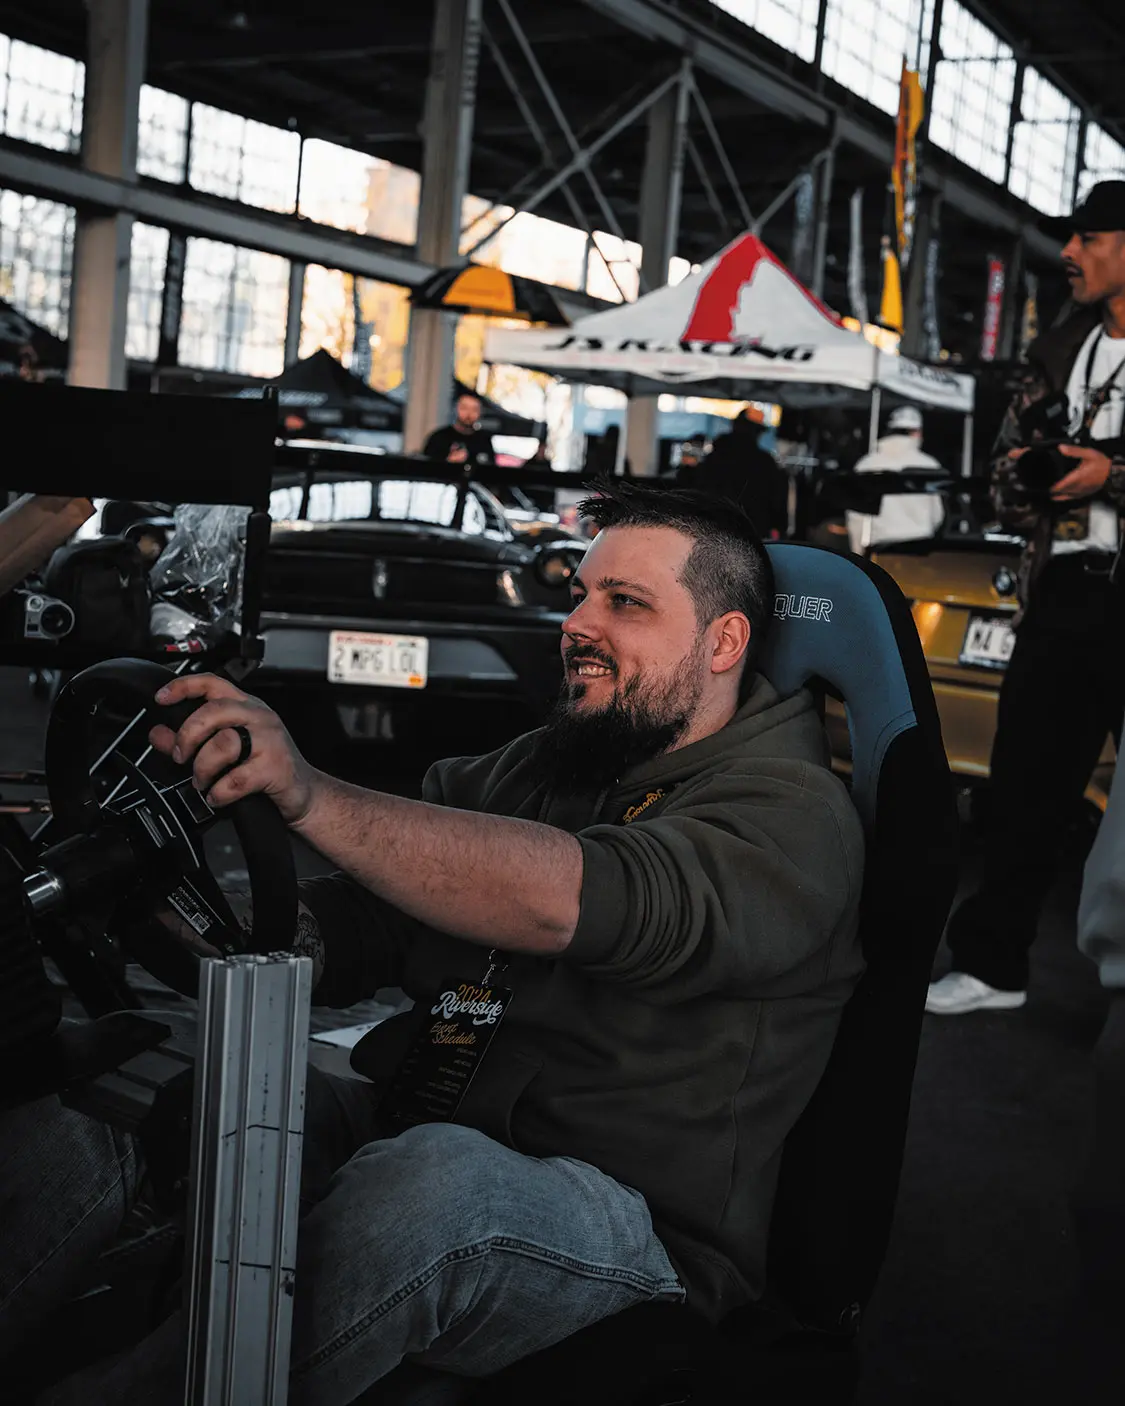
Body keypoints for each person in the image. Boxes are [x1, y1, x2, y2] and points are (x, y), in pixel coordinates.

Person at [1, 482, 865, 1405]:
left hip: (630, 1226)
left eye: (625, 603)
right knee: (204, 1104)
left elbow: (575, 898)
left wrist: (310, 795)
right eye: (580, 594)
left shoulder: (791, 812)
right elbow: (382, 912)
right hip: (421, 1123)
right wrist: (176, 916)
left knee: (433, 1187)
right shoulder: (558, 761)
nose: (577, 624)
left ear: (723, 642)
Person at [927, 180, 1125, 1015]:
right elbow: (1002, 478)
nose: (1067, 253)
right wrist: (1029, 477)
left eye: (1087, 237)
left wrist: (1111, 472)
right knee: (1024, 785)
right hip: (1064, 588)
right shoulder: (1056, 351)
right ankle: (993, 967)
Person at [845, 405, 945, 554]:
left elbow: (856, 517)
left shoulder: (867, 465)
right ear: (917, 432)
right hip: (921, 550)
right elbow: (937, 515)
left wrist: (858, 554)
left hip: (880, 550)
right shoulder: (930, 465)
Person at [683, 407, 789, 539]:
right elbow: (777, 503)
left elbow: (697, 491)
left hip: (715, 530)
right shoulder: (764, 463)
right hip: (751, 532)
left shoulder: (715, 457)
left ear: (735, 425)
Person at [421, 393, 496, 466]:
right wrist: (448, 462)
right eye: (464, 408)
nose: (469, 414)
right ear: (455, 409)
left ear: (480, 413)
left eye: (474, 409)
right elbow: (425, 468)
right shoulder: (438, 438)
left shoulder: (484, 440)